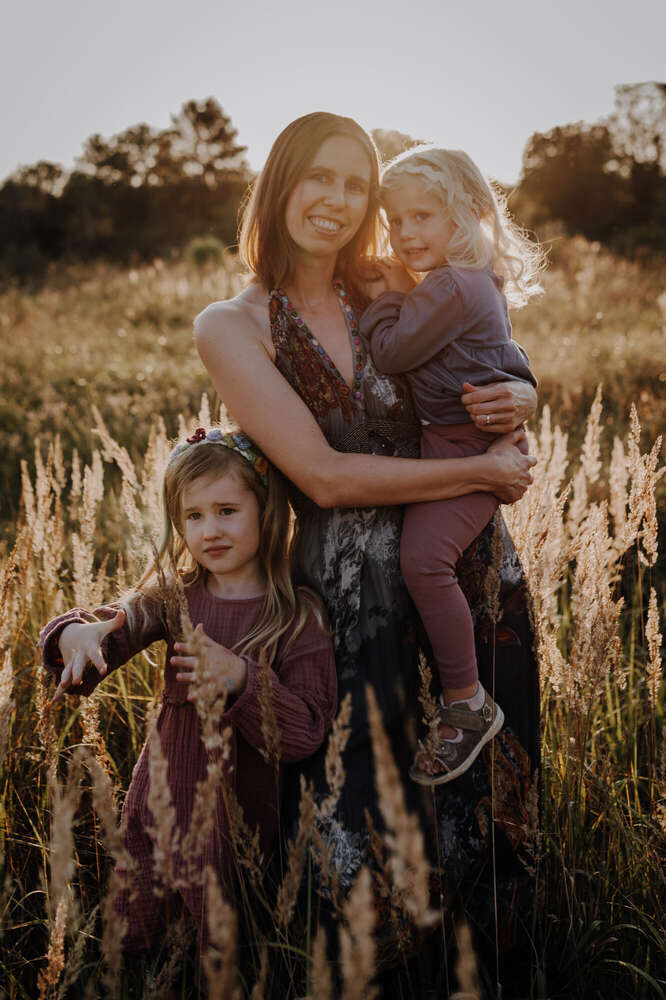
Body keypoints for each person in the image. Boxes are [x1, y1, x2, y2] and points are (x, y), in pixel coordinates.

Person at [194, 112, 539, 913]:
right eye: (320, 176)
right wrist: (483, 470)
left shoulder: (389, 281)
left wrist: (524, 392)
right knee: (359, 852)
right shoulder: (233, 324)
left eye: (357, 184)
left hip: (465, 572)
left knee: (481, 840)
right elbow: (324, 478)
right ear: (281, 183)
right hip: (346, 609)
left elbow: (485, 341)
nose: (339, 199)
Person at [39, 429, 337, 952]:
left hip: (237, 832)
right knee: (140, 946)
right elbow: (108, 631)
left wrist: (241, 679)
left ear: (266, 510)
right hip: (156, 812)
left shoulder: (295, 615)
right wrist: (73, 635)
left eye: (227, 510)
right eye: (193, 516)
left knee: (219, 958)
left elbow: (308, 730)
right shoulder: (174, 599)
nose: (209, 530)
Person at [360, 146, 542, 787]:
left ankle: (466, 702)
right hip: (459, 443)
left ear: (464, 214)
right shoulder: (474, 279)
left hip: (467, 451)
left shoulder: (448, 285)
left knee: (423, 562)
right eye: (396, 219)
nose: (406, 234)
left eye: (423, 217)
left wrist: (384, 298)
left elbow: (391, 352)